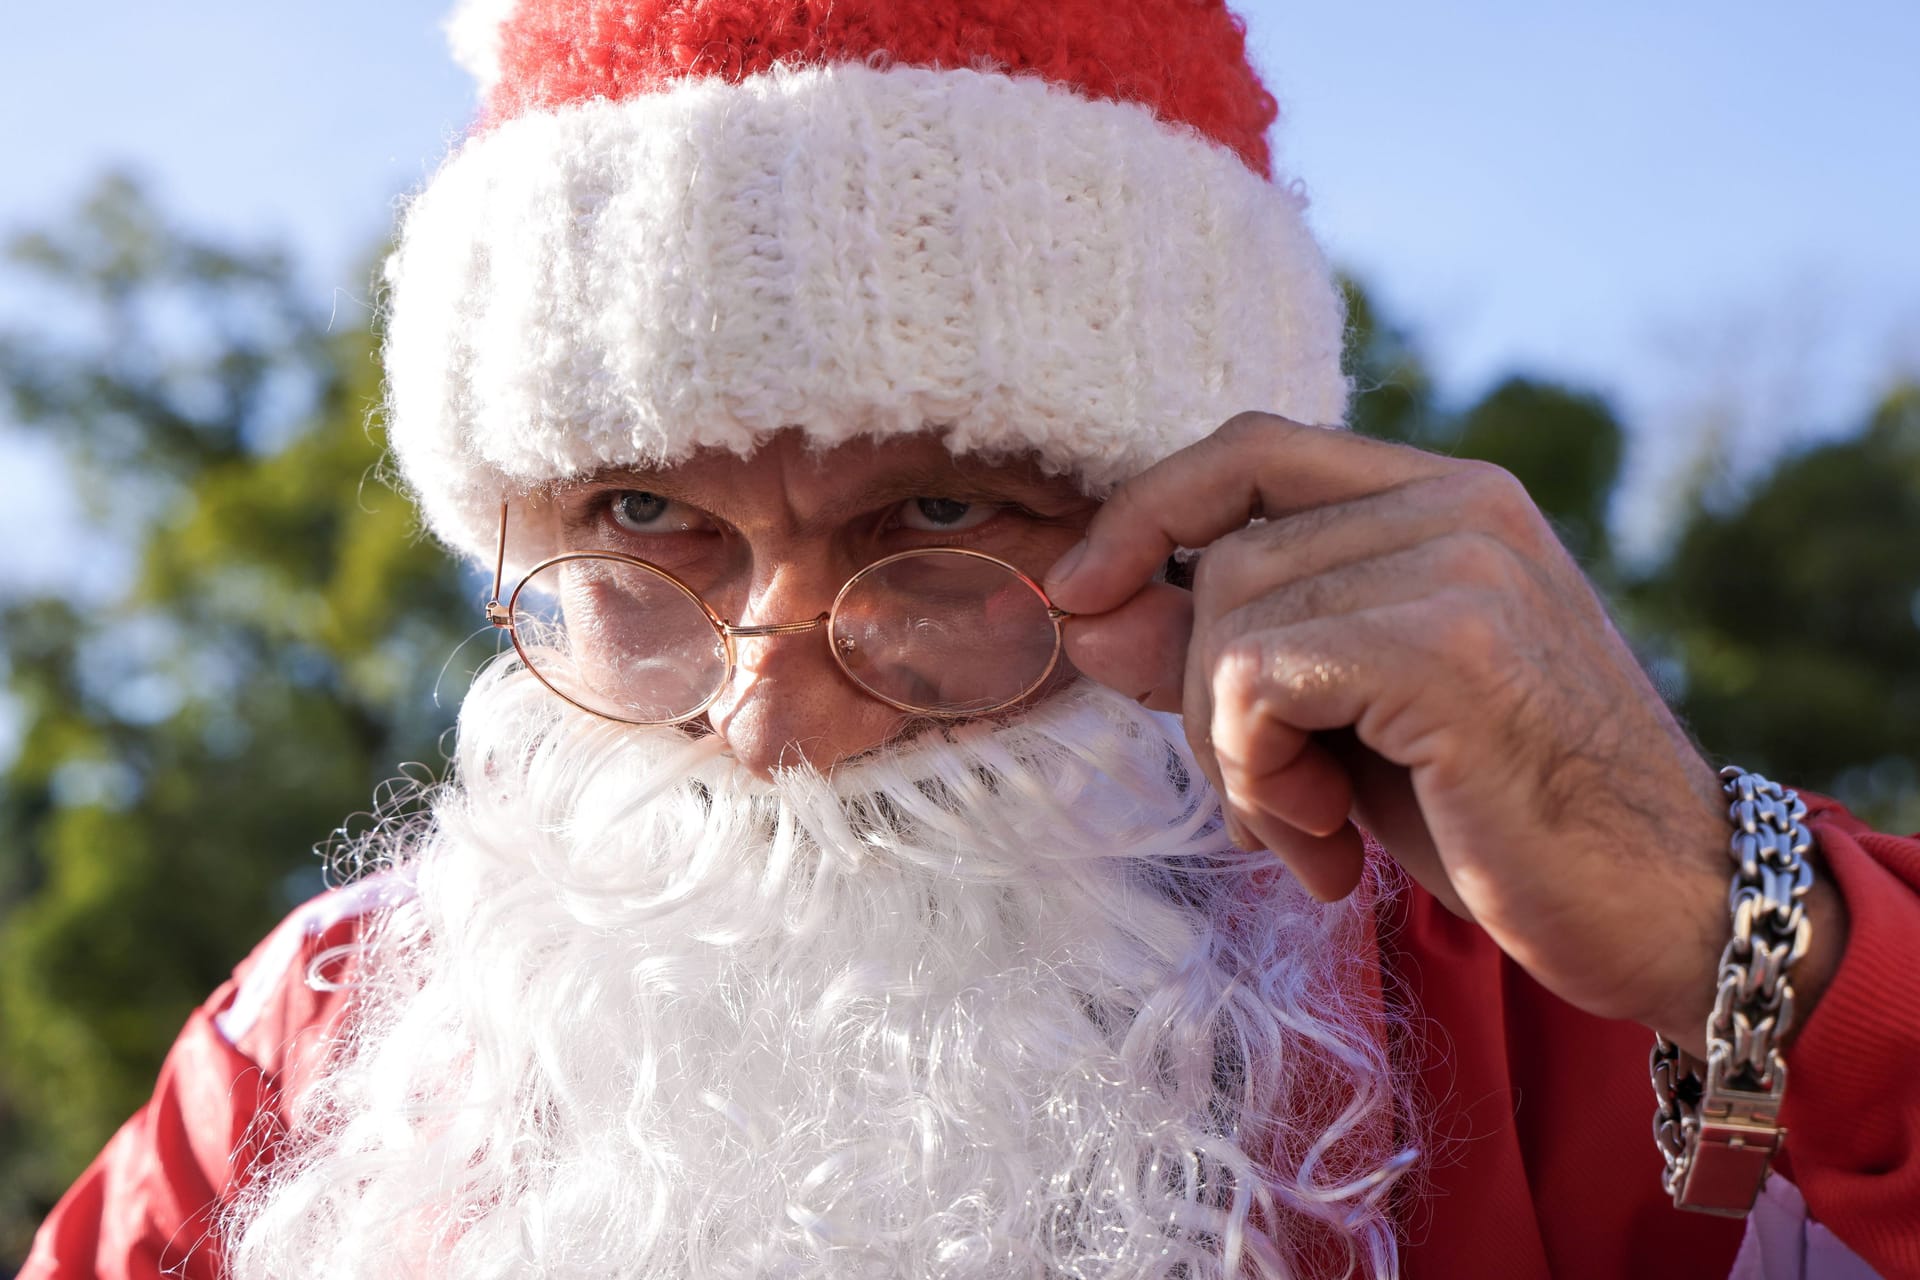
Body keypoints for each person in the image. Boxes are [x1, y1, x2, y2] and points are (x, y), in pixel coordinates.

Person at [21, 1, 1920, 1276]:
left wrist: (1717, 919)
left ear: (1214, 533)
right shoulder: (331, 1030)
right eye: (638, 518)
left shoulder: (1577, 989)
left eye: (938, 516)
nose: (771, 714)